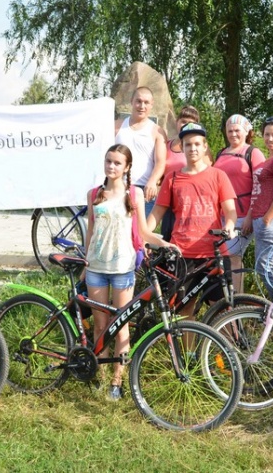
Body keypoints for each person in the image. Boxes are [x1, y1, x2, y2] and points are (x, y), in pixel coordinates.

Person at [85, 144, 177, 400]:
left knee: (121, 324)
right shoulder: (94, 194)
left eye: (117, 163)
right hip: (96, 268)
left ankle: (118, 380)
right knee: (100, 324)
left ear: (126, 168)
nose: (111, 167)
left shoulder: (133, 194)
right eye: (108, 161)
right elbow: (90, 232)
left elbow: (145, 233)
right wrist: (85, 261)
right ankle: (100, 376)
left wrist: (164, 243)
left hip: (123, 269)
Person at [147, 122, 238, 318]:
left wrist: (229, 226)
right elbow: (156, 214)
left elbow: (230, 210)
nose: (193, 148)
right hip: (182, 254)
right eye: (188, 144)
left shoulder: (218, 176)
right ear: (182, 147)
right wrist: (143, 236)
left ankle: (224, 349)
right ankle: (189, 351)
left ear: (205, 146)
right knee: (184, 311)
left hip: (214, 254)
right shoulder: (172, 179)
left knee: (224, 310)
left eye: (197, 144)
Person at [214, 114, 266, 293]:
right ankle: (225, 302)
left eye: (237, 130)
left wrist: (250, 217)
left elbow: (260, 186)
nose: (233, 134)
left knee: (233, 255)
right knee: (221, 257)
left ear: (246, 131)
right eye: (230, 130)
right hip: (221, 215)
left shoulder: (253, 153)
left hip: (243, 215)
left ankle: (238, 303)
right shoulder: (221, 153)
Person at [242, 117, 273, 297]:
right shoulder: (269, 160)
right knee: (268, 271)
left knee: (268, 271)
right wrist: (251, 216)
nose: (270, 138)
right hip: (262, 221)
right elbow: (259, 192)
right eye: (266, 134)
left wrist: (266, 219)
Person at [114, 87, 166, 217]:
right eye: (138, 101)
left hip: (144, 191)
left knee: (141, 234)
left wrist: (153, 181)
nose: (142, 106)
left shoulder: (157, 131)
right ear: (131, 101)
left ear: (151, 104)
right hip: (118, 187)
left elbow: (160, 162)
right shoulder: (116, 126)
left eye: (146, 102)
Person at [159, 105, 197, 241]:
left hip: (189, 201)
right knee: (167, 236)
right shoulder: (166, 145)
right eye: (183, 121)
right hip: (168, 200)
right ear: (177, 122)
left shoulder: (199, 148)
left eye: (190, 123)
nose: (185, 125)